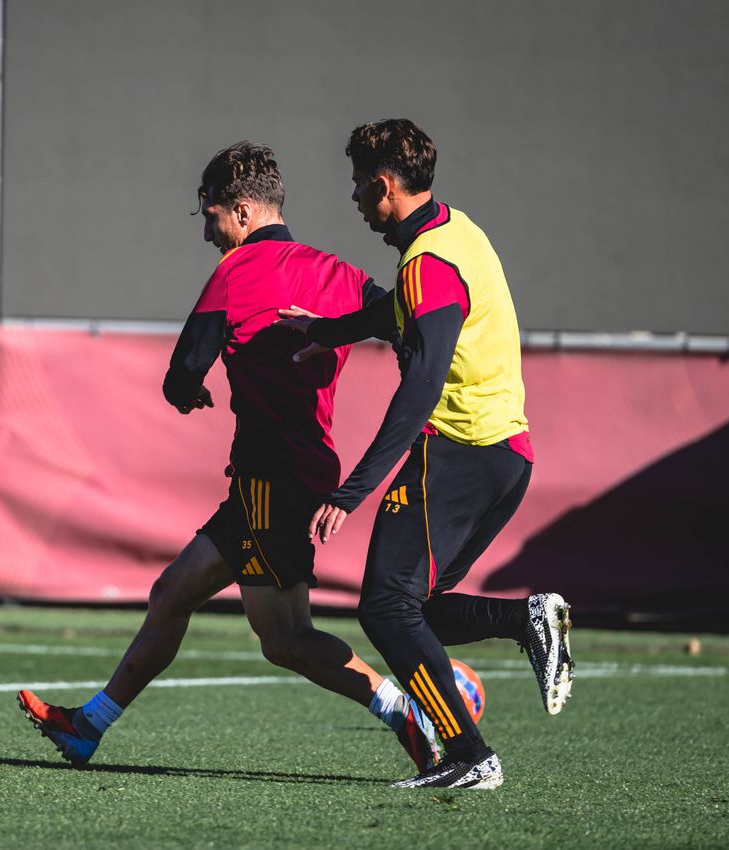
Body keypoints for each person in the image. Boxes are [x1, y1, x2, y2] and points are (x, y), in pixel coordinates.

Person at [17, 141, 441, 773]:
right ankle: (88, 727)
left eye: (211, 216)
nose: (209, 234)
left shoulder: (236, 271)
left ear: (243, 213)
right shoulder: (343, 274)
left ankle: (405, 712)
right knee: (171, 594)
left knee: (285, 639)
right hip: (280, 477)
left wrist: (190, 393)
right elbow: (409, 324)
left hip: (271, 478)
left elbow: (183, 370)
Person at [277, 119, 574, 790]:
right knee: (419, 605)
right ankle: (527, 618)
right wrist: (329, 332)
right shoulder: (455, 232)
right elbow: (405, 315)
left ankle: (471, 756)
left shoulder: (428, 261)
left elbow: (421, 387)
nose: (354, 196)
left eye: (359, 184)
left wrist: (350, 492)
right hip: (505, 456)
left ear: (384, 186)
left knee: (384, 607)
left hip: (459, 453)